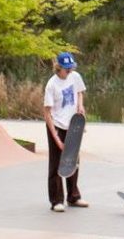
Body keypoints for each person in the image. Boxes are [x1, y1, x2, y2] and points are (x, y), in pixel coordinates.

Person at [43, 51, 88, 212]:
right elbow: (47, 113)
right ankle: (56, 200)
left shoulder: (75, 77)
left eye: (71, 68)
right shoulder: (51, 84)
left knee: (73, 161)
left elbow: (79, 92)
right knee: (56, 163)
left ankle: (74, 197)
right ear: (58, 67)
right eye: (66, 69)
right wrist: (56, 139)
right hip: (56, 125)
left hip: (73, 125)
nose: (69, 71)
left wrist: (80, 106)